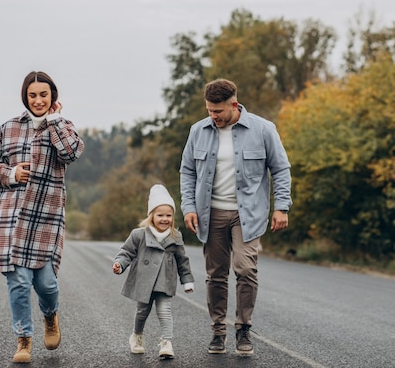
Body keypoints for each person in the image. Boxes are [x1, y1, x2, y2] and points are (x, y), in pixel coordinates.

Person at [179, 78, 292, 355]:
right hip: (211, 213)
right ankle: (218, 331)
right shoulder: (198, 131)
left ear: (233, 104)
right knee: (216, 274)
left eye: (218, 111)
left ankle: (243, 328)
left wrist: (281, 207)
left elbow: (280, 169)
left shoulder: (263, 129)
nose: (213, 116)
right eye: (209, 111)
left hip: (248, 214)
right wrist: (189, 206)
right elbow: (188, 171)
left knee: (245, 268)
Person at [0, 71, 84, 364]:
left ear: (52, 96)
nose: (38, 100)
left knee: (47, 285)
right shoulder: (8, 128)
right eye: (32, 95)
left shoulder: (63, 126)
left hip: (46, 217)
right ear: (25, 97)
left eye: (43, 95)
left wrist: (54, 122)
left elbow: (70, 153)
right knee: (18, 281)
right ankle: (23, 338)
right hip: (12, 215)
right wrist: (11, 173)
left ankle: (50, 316)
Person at [112, 184, 195, 360]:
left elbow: (182, 260)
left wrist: (187, 280)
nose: (165, 219)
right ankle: (137, 336)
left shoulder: (175, 237)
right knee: (142, 312)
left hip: (165, 281)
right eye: (160, 215)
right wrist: (120, 263)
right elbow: (126, 252)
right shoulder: (139, 235)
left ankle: (166, 342)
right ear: (151, 216)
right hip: (144, 281)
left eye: (169, 215)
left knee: (165, 310)